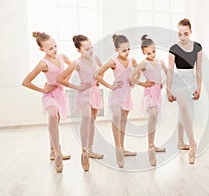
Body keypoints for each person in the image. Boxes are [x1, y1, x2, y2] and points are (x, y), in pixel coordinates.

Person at [22, 32, 72, 172]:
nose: (54, 49)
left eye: (55, 46)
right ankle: (57, 152)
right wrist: (43, 90)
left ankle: (52, 151)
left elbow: (73, 66)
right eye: (50, 48)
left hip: (60, 94)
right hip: (49, 94)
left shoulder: (63, 57)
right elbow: (25, 82)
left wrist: (67, 78)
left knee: (55, 122)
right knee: (52, 116)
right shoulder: (43, 64)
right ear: (41, 49)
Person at [57, 35, 104, 172]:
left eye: (91, 47)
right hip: (83, 93)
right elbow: (61, 79)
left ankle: (90, 149)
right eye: (87, 49)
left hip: (95, 92)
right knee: (87, 116)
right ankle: (84, 150)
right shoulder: (76, 63)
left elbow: (101, 71)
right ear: (79, 50)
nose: (90, 51)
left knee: (92, 120)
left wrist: (99, 79)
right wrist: (76, 87)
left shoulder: (95, 59)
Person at [95, 34, 138, 168]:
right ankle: (118, 148)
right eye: (123, 50)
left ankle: (122, 147)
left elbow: (139, 71)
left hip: (127, 96)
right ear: (116, 50)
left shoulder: (132, 60)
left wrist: (134, 81)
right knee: (117, 117)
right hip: (116, 95)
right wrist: (110, 85)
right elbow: (96, 75)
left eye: (128, 49)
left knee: (124, 121)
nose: (127, 52)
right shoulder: (113, 62)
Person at [166, 18, 203, 164]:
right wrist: (168, 89)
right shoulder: (174, 48)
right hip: (178, 81)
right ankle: (192, 143)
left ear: (191, 32)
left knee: (184, 112)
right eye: (179, 34)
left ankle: (181, 142)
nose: (182, 37)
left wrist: (199, 87)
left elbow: (199, 69)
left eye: (185, 34)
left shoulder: (197, 47)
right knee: (184, 108)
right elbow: (170, 70)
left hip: (191, 80)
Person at [129, 35, 167, 166]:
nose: (152, 54)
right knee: (152, 115)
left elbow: (168, 74)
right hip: (149, 93)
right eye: (148, 53)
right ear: (143, 52)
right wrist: (143, 84)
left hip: (158, 92)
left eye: (154, 51)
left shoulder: (160, 62)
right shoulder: (143, 64)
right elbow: (131, 76)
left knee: (155, 118)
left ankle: (152, 144)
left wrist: (163, 83)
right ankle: (150, 146)